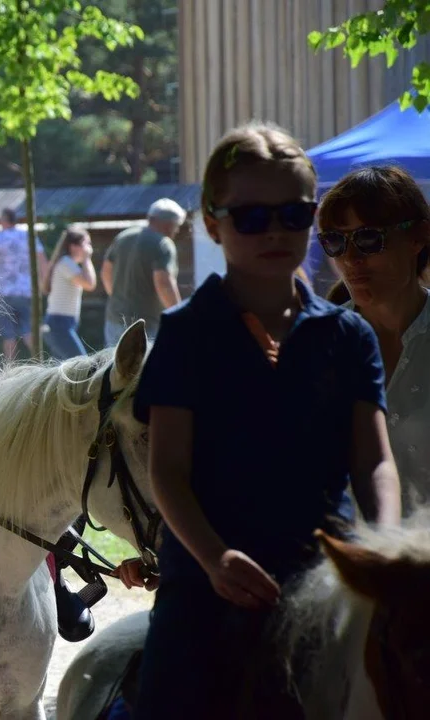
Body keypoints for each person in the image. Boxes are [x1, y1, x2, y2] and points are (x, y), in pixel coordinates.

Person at [131, 122, 402, 718]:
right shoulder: (185, 334)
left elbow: (374, 459)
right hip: (205, 592)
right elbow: (168, 472)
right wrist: (212, 557)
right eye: (251, 217)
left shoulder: (348, 333)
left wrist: (384, 546)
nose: (276, 231)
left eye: (295, 215)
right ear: (211, 223)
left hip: (325, 582)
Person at [318, 166, 430, 509]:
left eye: (368, 238)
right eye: (335, 241)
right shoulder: (314, 346)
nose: (351, 258)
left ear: (419, 237)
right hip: (347, 558)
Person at [101, 199, 185, 345]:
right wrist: (180, 316)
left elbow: (106, 272)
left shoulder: (124, 236)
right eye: (176, 226)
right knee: (146, 367)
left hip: (114, 319)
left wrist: (121, 297)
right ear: (168, 223)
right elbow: (163, 284)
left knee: (115, 366)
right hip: (144, 325)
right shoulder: (163, 244)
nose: (176, 231)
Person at [0, 207, 47, 360]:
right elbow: (41, 258)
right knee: (29, 330)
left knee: (8, 335)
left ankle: (9, 368)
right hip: (26, 291)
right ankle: (40, 361)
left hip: (4, 292)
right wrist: (44, 281)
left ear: (4, 220)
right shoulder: (28, 236)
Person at [42, 224, 96, 359]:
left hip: (64, 323)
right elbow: (90, 284)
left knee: (64, 371)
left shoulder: (69, 264)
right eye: (86, 243)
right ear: (73, 246)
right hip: (59, 323)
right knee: (83, 365)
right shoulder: (66, 263)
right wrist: (87, 259)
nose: (89, 248)